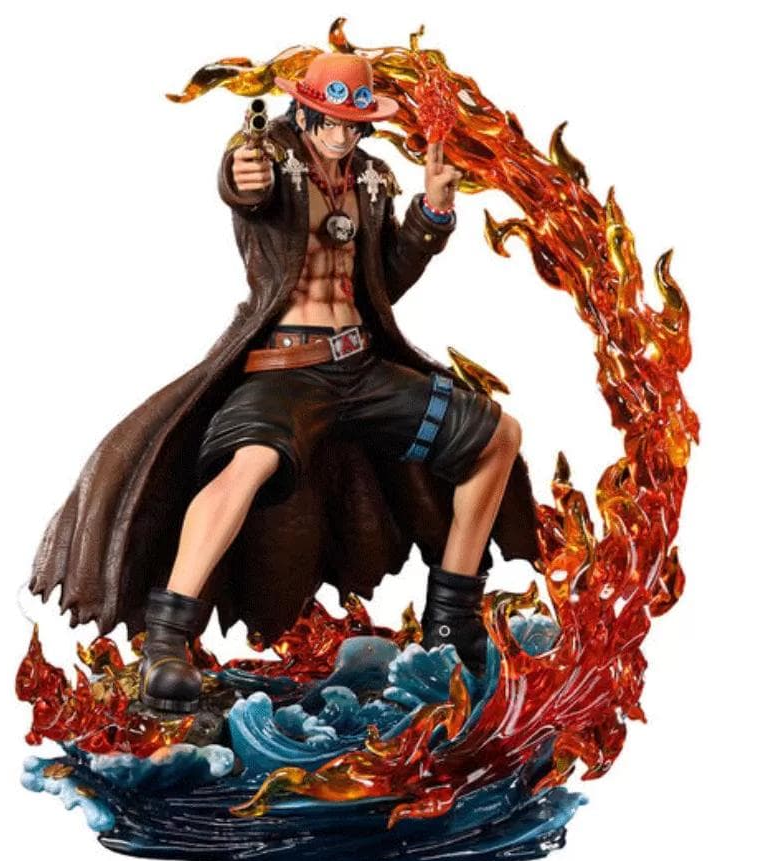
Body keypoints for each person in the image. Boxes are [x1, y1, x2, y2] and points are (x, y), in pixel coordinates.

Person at [29, 53, 540, 714]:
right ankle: (167, 642)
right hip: (285, 369)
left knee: (495, 436)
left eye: (352, 122)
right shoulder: (271, 158)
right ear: (304, 111)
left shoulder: (372, 178)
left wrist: (430, 217)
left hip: (362, 367)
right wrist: (239, 174)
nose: (341, 133)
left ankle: (451, 619)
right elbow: (245, 183)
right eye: (329, 119)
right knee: (250, 462)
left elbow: (382, 281)